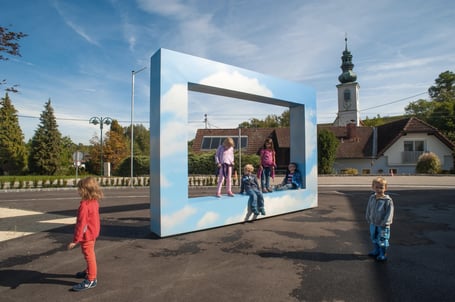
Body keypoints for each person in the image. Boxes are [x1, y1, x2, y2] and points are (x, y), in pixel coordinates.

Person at [67, 177, 103, 291]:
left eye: (79, 189)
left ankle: (91, 279)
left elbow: (81, 225)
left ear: (84, 190)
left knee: (89, 256)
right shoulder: (94, 201)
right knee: (88, 253)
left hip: (87, 235)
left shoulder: (84, 206)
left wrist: (75, 240)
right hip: (93, 233)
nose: (78, 191)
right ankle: (88, 271)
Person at [365, 177, 394, 262]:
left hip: (383, 225)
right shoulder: (372, 198)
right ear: (373, 187)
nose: (378, 189)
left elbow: (390, 212)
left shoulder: (387, 200)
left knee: (382, 239)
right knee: (373, 237)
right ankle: (376, 250)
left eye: (381, 187)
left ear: (385, 188)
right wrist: (368, 217)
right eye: (376, 187)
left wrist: (386, 222)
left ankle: (383, 254)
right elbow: (369, 208)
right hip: (373, 223)